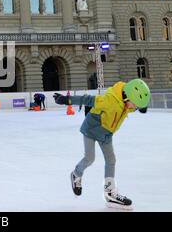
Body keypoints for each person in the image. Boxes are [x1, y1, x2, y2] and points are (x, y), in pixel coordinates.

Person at [53, 79, 151, 210]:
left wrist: (142, 106)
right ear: (127, 96)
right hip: (91, 129)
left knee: (111, 160)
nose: (134, 108)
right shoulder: (109, 100)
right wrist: (66, 100)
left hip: (106, 134)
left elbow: (132, 104)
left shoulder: (127, 100)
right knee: (89, 158)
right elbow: (87, 100)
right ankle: (76, 174)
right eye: (134, 105)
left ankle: (110, 193)